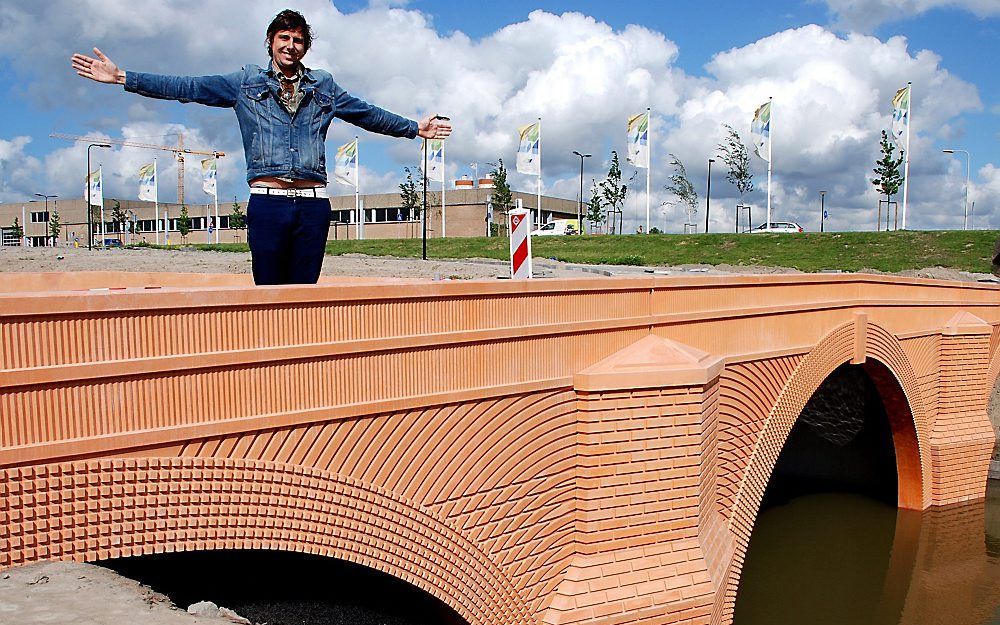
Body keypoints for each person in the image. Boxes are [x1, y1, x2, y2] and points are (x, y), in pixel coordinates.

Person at [71, 9, 451, 285]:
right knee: (268, 292)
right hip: (268, 201)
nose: (291, 45)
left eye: (298, 39)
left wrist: (414, 128)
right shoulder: (244, 82)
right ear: (270, 42)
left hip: (313, 204)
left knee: (304, 295)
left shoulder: (324, 86)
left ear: (305, 47)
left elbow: (366, 114)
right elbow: (189, 87)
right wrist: (123, 77)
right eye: (283, 37)